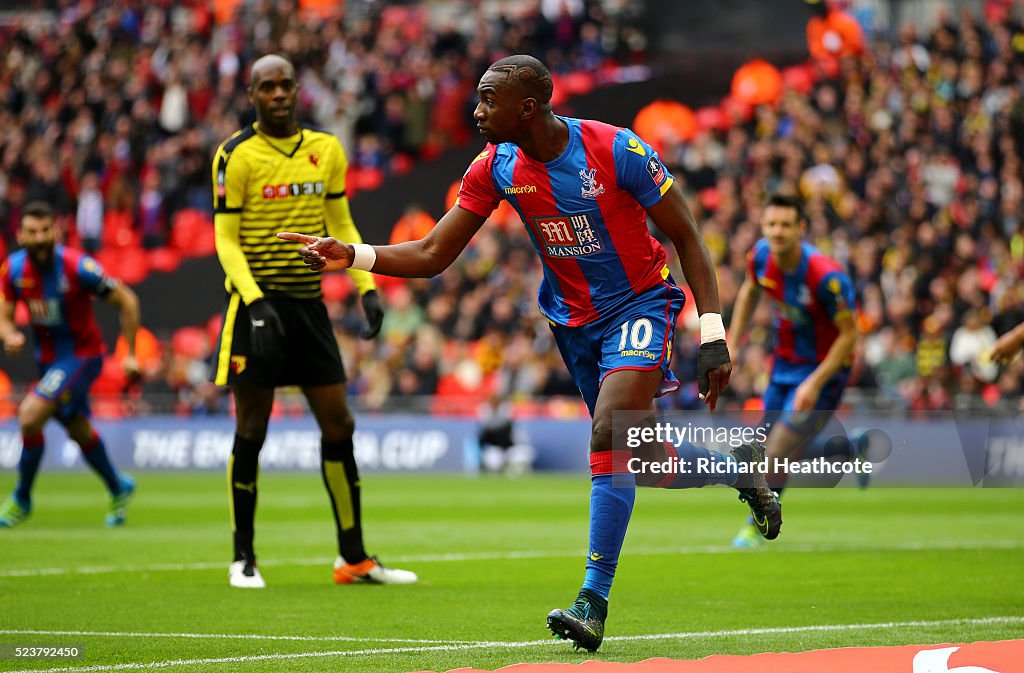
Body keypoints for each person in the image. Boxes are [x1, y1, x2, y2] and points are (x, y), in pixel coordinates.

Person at [280, 54, 781, 651]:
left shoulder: (617, 149)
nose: (477, 110)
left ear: (528, 107)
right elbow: (434, 253)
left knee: (609, 431)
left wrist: (714, 334)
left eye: (488, 100)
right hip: (573, 324)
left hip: (640, 304)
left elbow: (687, 236)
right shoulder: (495, 165)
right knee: (646, 460)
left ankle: (592, 601)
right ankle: (740, 468)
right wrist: (354, 255)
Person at [211, 54, 417, 589]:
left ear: (298, 89)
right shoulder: (235, 154)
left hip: (309, 306)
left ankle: (354, 558)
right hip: (255, 307)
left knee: (339, 424)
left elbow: (340, 220)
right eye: (267, 87)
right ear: (252, 95)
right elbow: (225, 239)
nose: (278, 94)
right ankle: (242, 557)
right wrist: (255, 301)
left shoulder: (326, 149)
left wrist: (366, 287)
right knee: (251, 429)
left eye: (286, 84)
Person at [727, 193, 860, 548]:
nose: (777, 231)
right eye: (771, 224)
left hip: (823, 373)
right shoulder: (759, 256)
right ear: (762, 226)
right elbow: (749, 291)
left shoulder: (826, 278)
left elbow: (850, 336)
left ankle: (757, 525)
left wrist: (815, 383)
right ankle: (847, 448)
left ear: (801, 228)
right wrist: (733, 342)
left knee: (776, 452)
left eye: (785, 225)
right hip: (783, 366)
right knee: (770, 448)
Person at [0, 201, 139, 528]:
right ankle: (118, 486)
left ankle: (22, 498)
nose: (39, 238)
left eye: (45, 230)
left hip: (82, 356)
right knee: (77, 428)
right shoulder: (13, 270)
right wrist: (9, 335)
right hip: (48, 361)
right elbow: (5, 316)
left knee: (30, 416)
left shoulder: (79, 267)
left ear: (57, 231)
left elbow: (127, 300)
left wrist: (131, 353)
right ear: (20, 235)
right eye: (32, 232)